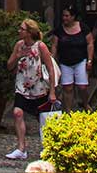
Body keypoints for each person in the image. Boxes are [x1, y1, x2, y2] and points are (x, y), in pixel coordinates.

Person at [7, 17, 58, 160]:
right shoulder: (19, 45)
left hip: (38, 87)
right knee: (17, 113)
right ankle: (21, 148)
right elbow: (9, 65)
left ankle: (48, 147)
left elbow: (50, 67)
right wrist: (17, 56)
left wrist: (52, 91)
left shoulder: (40, 46)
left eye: (22, 29)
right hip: (22, 85)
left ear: (29, 32)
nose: (19, 31)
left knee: (43, 118)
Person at [54, 6, 91, 110]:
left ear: (73, 17)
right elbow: (54, 45)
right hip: (65, 62)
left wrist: (90, 60)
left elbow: (90, 43)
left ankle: (85, 103)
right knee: (67, 87)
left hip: (80, 60)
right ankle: (68, 110)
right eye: (63, 16)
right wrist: (53, 59)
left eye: (67, 16)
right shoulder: (59, 30)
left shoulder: (83, 27)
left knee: (82, 86)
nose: (64, 18)